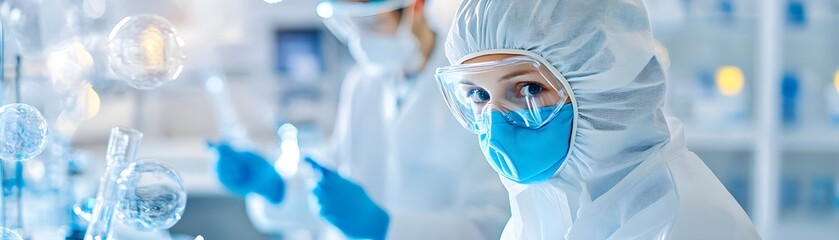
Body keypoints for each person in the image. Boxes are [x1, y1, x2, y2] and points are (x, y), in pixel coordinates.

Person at [433, 0, 762, 239]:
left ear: (607, 86)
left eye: (530, 88)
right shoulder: (540, 203)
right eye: (478, 95)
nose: (496, 122)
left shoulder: (688, 226)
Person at [209, 0, 509, 239]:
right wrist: (275, 188)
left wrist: (386, 228)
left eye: (370, 22)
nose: (361, 39)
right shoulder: (363, 83)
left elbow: (494, 225)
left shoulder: (476, 90)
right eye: (348, 23)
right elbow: (337, 194)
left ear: (415, 6)